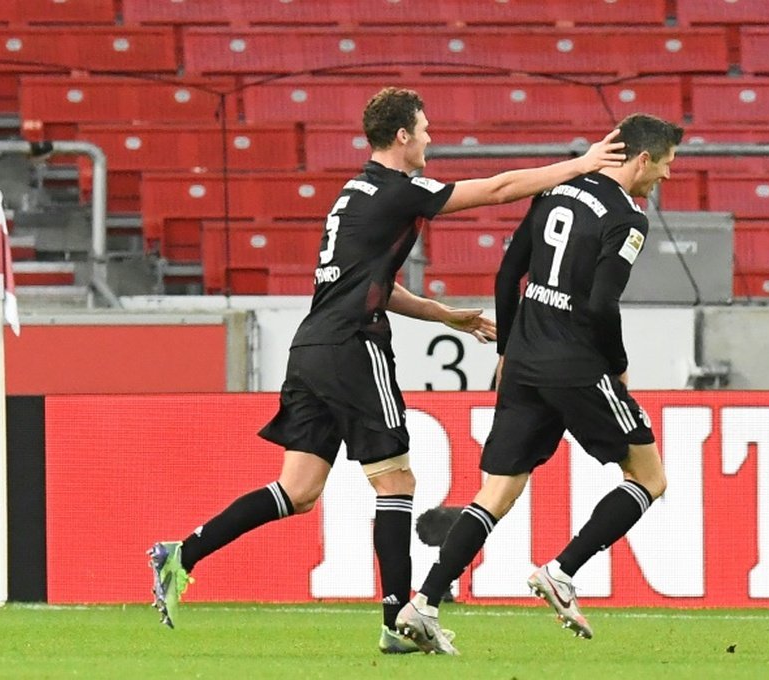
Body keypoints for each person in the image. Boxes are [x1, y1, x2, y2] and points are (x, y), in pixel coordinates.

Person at [147, 86, 626, 654]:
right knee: (396, 483)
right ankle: (400, 621)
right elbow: (494, 189)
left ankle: (181, 554)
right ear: (402, 136)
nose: (430, 138)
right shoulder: (399, 191)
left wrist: (445, 316)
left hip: (312, 347)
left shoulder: (356, 191)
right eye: (424, 129)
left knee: (298, 491)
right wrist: (582, 164)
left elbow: (372, 282)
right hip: (354, 345)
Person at [395, 113, 684, 655]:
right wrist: (617, 364)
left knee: (498, 490)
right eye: (667, 164)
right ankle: (562, 571)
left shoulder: (559, 187)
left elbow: (508, 275)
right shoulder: (628, 218)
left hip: (525, 359)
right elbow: (600, 303)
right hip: (575, 363)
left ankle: (424, 603)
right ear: (643, 159)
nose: (666, 176)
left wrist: (507, 350)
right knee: (648, 477)